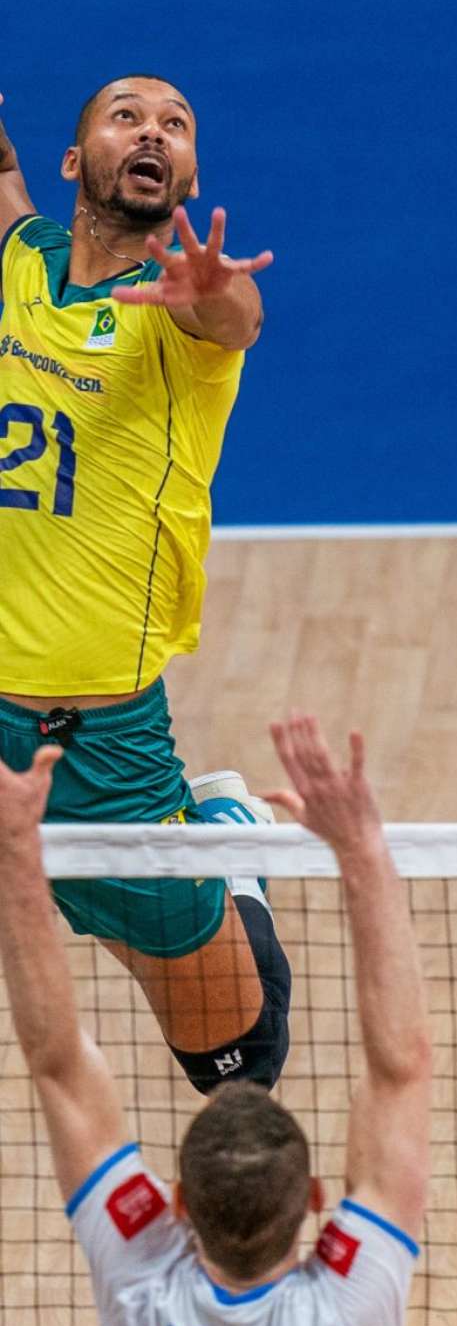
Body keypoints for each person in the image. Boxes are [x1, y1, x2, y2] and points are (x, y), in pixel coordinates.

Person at [0, 711, 431, 1326]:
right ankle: (231, 855)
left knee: (244, 1040)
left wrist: (12, 854)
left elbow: (58, 1061)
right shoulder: (346, 1313)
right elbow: (56, 1060)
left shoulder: (146, 1284)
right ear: (314, 1203)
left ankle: (232, 856)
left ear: (177, 1205)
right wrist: (360, 851)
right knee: (243, 1042)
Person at [0, 78, 287, 1093]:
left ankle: (227, 849)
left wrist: (209, 286)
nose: (152, 131)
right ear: (76, 160)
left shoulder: (181, 322)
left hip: (105, 754)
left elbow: (236, 318)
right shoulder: (19, 262)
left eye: (174, 126)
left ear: (188, 177)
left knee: (238, 1058)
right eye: (127, 116)